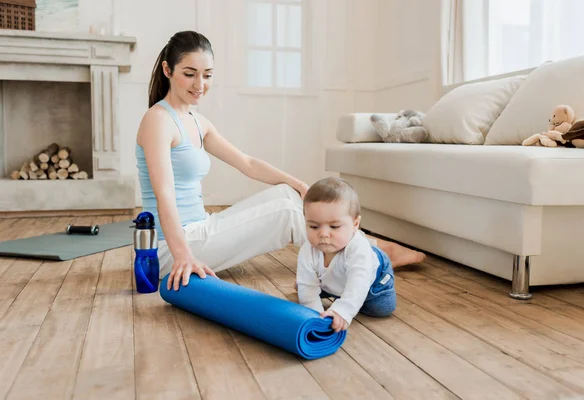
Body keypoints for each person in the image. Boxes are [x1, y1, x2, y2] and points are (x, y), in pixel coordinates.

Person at [135, 30, 425, 292]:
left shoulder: (197, 122)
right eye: (190, 73)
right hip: (170, 248)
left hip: (201, 228)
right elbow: (165, 195)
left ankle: (358, 249)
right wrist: (184, 257)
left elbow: (246, 163)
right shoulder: (158, 120)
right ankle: (371, 254)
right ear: (167, 70)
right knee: (285, 215)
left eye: (207, 75)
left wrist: (298, 184)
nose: (200, 84)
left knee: (288, 196)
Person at [296, 177, 397, 332]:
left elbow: (358, 283)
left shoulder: (357, 248)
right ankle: (325, 286)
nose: (323, 234)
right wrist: (315, 317)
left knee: (381, 308)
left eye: (334, 226)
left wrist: (342, 311)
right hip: (336, 280)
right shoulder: (307, 250)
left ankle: (388, 254)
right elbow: (309, 294)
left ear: (355, 224)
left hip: (374, 278)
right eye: (314, 226)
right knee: (306, 289)